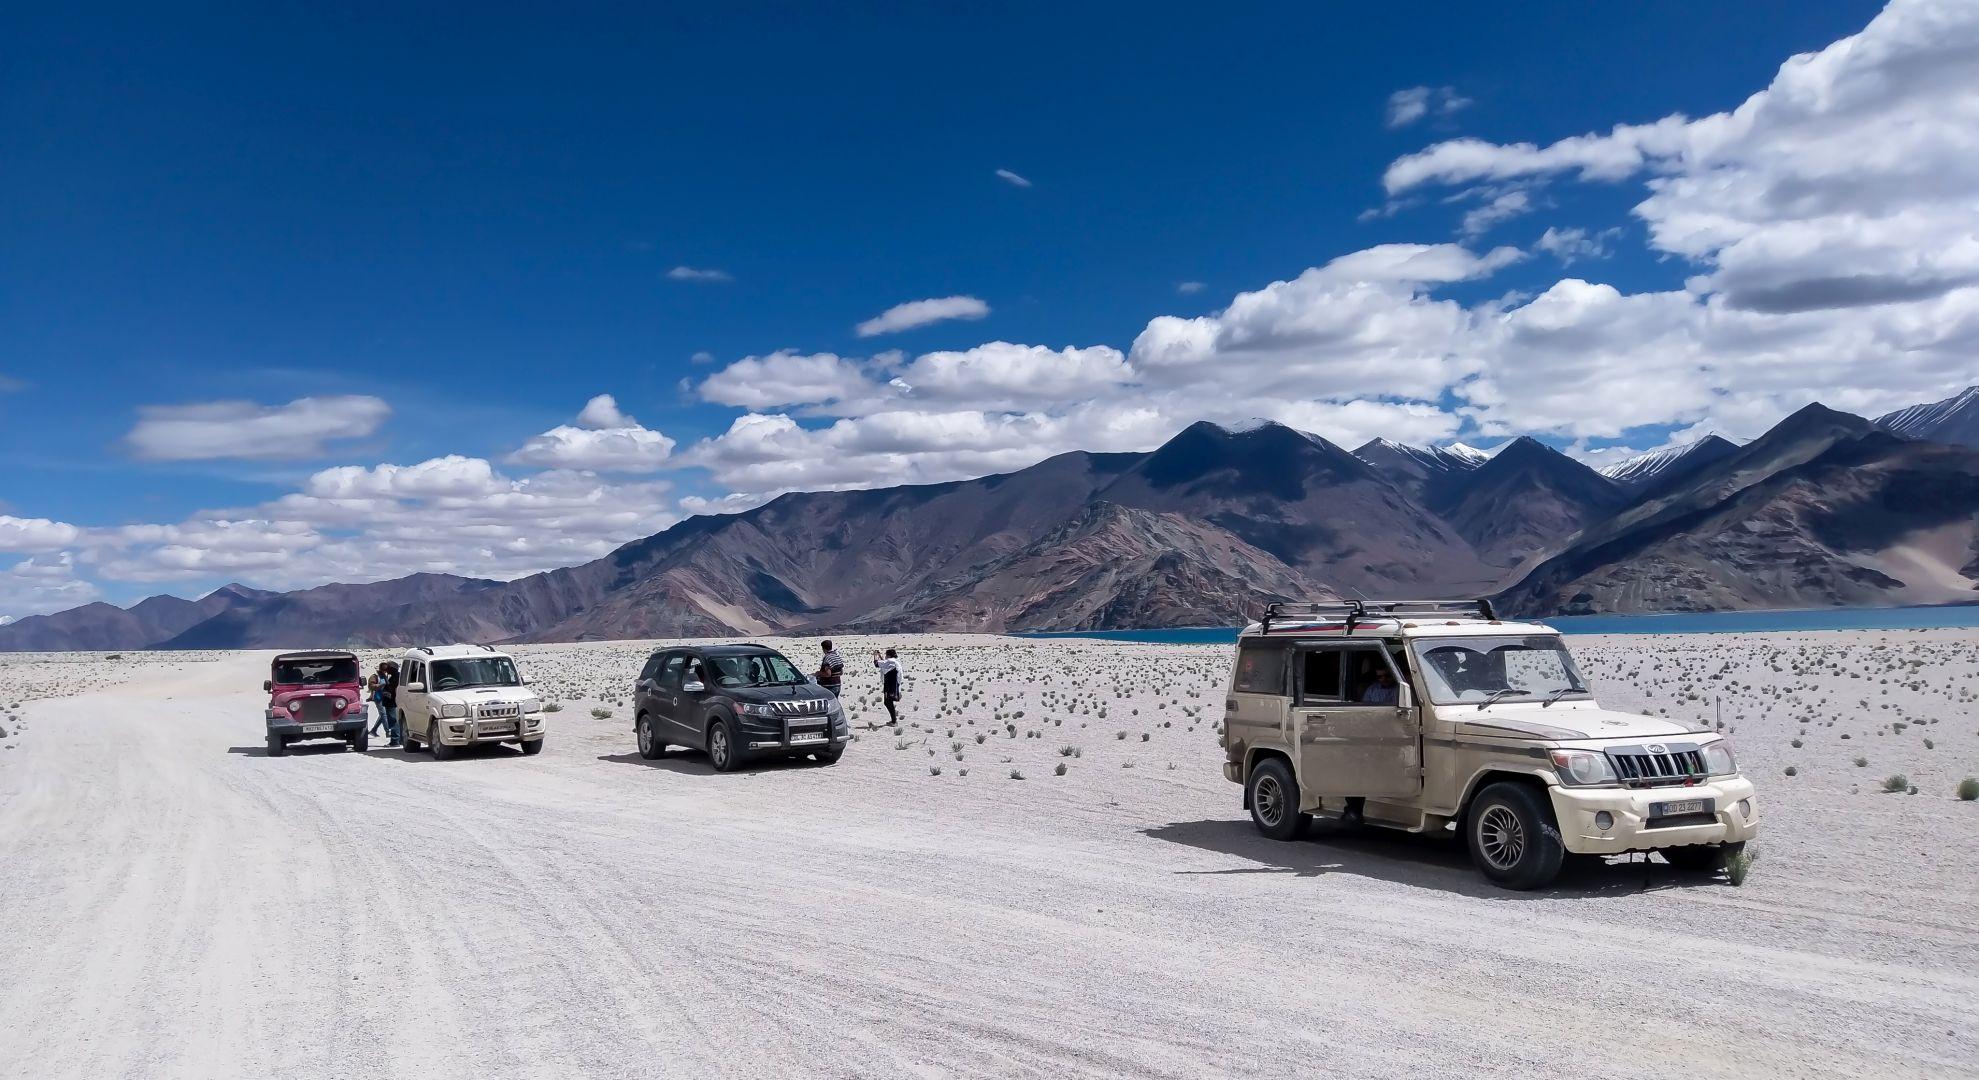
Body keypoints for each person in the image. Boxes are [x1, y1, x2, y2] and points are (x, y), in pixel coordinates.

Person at [374, 660, 401, 746]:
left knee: (393, 721)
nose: (386, 670)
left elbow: (390, 688)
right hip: (391, 702)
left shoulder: (396, 677)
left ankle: (395, 740)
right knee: (395, 720)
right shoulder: (395, 676)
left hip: (392, 702)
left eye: (388, 668)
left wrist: (384, 678)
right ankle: (399, 740)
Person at [873, 648, 902, 725]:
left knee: (887, 702)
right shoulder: (895, 661)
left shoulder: (891, 662)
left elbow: (877, 664)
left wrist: (875, 656)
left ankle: (894, 721)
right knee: (889, 702)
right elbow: (884, 664)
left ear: (888, 655)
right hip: (893, 684)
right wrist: (880, 656)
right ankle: (893, 720)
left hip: (890, 685)